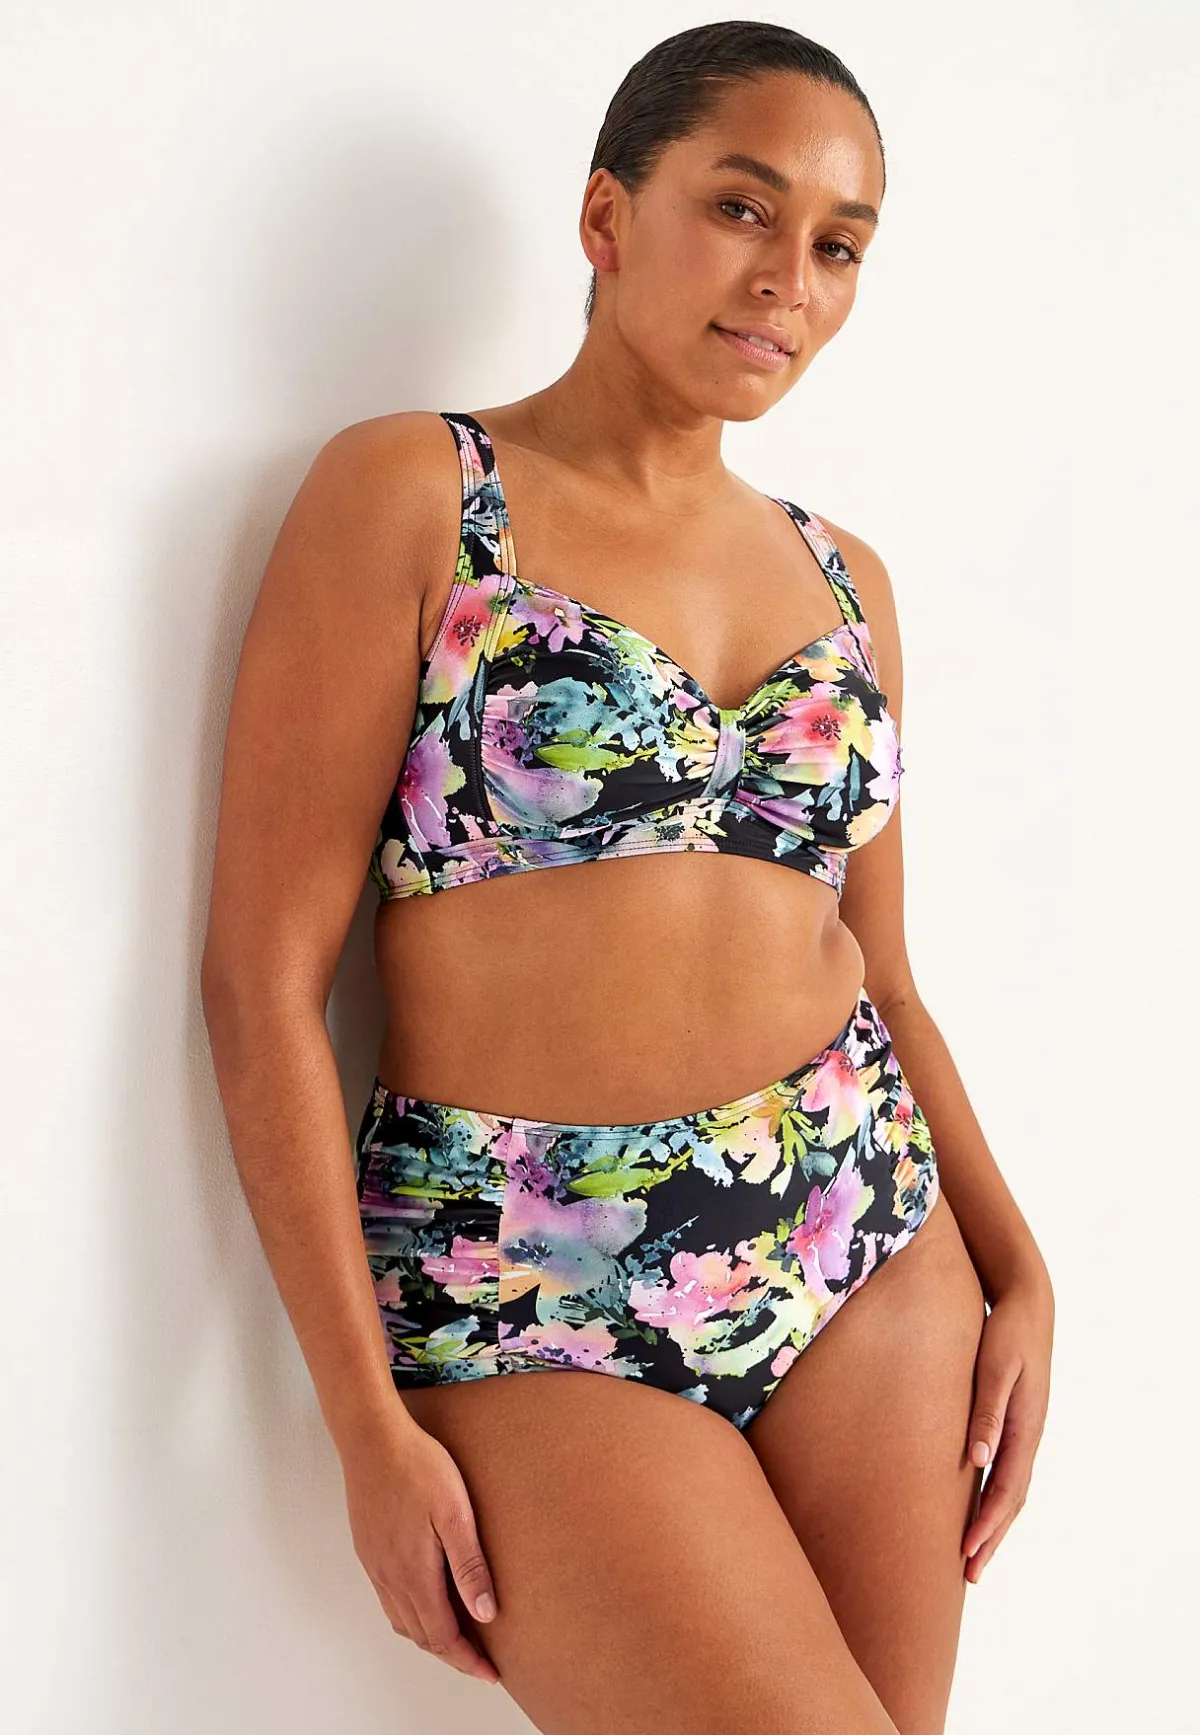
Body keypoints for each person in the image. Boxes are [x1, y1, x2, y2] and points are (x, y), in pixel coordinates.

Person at [201, 20, 1054, 1734]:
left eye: (839, 245)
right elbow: (261, 981)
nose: (788, 279)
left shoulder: (847, 580)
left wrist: (1017, 1261)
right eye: (743, 209)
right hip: (528, 1281)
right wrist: (362, 1422)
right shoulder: (419, 496)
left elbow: (884, 972)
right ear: (606, 215)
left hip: (864, 1235)